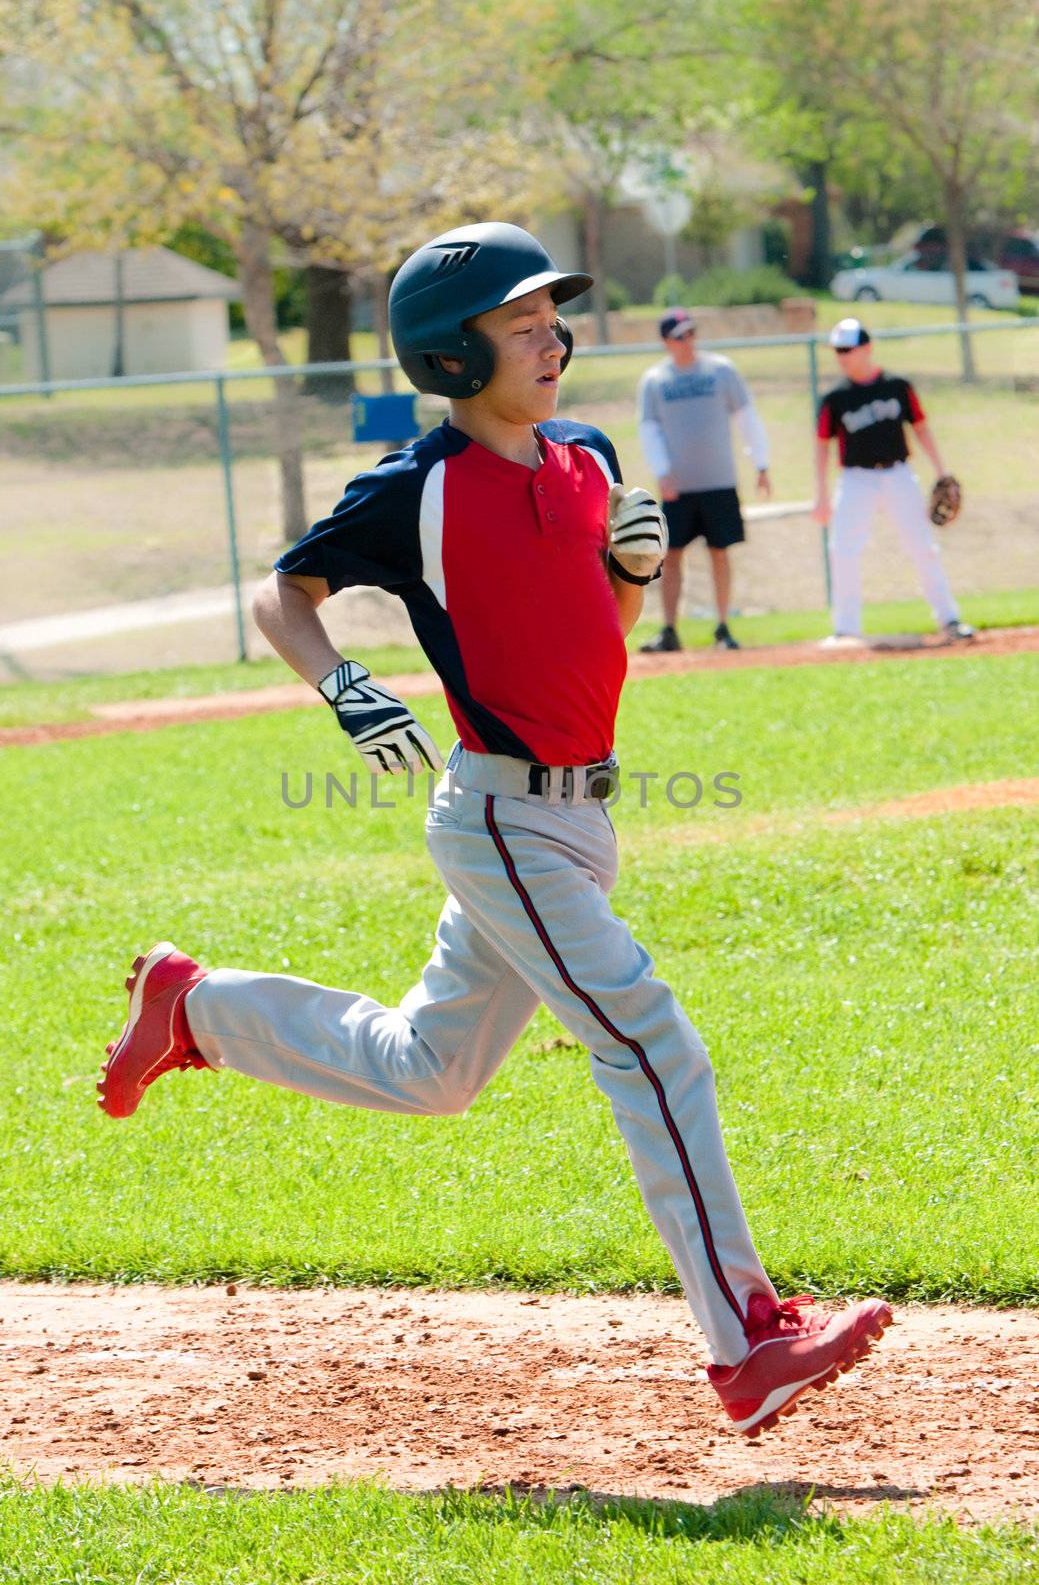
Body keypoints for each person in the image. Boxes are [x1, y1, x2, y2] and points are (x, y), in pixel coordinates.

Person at [97, 223, 891, 1437]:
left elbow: (602, 635)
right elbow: (283, 588)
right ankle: (748, 1340)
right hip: (500, 817)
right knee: (651, 1041)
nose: (551, 338)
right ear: (452, 357)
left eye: (551, 318)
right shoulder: (415, 487)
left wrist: (633, 567)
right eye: (519, 324)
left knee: (431, 1071)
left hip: (576, 820)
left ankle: (196, 1007)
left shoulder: (586, 453)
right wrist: (341, 681)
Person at [814, 317, 974, 646]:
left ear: (867, 348)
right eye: (837, 350)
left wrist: (941, 470)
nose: (841, 356)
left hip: (899, 474)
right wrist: (821, 495)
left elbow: (921, 427)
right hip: (856, 479)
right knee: (842, 550)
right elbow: (821, 446)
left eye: (847, 349)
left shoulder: (897, 386)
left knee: (923, 548)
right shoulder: (835, 398)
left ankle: (949, 619)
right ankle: (846, 629)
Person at [637, 308, 772, 653]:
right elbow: (649, 431)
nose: (688, 341)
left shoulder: (721, 371)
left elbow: (747, 417)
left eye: (691, 333)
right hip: (678, 487)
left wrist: (761, 463)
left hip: (719, 481)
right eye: (680, 336)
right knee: (672, 556)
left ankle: (723, 627)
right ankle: (669, 630)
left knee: (720, 553)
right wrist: (663, 472)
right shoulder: (655, 381)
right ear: (666, 341)